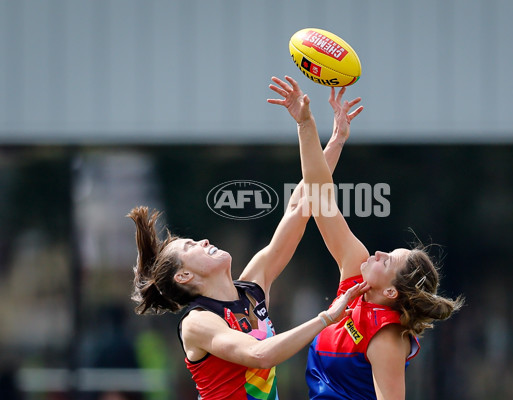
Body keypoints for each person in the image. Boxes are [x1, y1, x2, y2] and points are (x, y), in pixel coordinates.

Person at [128, 91, 369, 400]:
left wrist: (319, 132)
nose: (203, 241)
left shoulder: (252, 288)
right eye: (190, 247)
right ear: (184, 277)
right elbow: (260, 355)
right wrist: (327, 318)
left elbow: (300, 207)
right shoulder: (197, 323)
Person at [268, 75, 464, 400]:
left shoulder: (387, 336)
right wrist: (323, 132)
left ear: (390, 289)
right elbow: (318, 197)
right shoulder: (355, 276)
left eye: (387, 260)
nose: (377, 252)